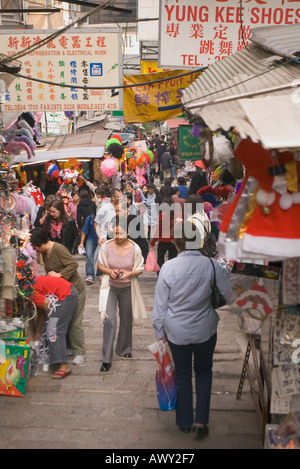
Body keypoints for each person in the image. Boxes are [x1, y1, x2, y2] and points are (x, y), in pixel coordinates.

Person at [152, 220, 232, 437]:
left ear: (176, 243)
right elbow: (228, 295)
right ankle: (202, 422)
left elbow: (160, 307)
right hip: (205, 328)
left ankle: (185, 421)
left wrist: (159, 335)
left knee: (183, 374)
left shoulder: (168, 268)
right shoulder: (211, 265)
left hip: (177, 332)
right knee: (204, 371)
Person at [29, 227, 86, 366]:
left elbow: (73, 264)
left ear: (39, 243)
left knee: (74, 322)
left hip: (74, 289)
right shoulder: (45, 253)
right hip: (60, 293)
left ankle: (79, 352)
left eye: (34, 247)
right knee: (63, 321)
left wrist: (60, 275)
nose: (34, 250)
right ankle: (68, 348)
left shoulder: (58, 249)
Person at [97, 220, 147, 372]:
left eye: (121, 233)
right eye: (116, 233)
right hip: (110, 287)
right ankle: (107, 358)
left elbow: (140, 268)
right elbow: (100, 264)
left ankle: (124, 349)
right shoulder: (106, 246)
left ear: (129, 233)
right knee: (109, 319)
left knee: (126, 319)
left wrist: (129, 273)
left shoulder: (135, 248)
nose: (118, 236)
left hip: (127, 288)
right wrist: (108, 271)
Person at [30, 275, 78, 379]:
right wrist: (38, 331)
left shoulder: (30, 292)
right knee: (53, 327)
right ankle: (58, 361)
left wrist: (52, 318)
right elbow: (41, 311)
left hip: (66, 294)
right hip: (65, 293)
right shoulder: (29, 288)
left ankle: (63, 367)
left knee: (54, 329)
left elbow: (48, 306)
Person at [150, 198, 178, 270]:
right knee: (172, 259)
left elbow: (158, 229)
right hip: (174, 241)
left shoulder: (162, 215)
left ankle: (160, 274)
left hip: (163, 241)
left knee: (160, 259)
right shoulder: (177, 215)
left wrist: (153, 242)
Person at [78, 208, 99, 285]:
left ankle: (100, 273)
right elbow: (84, 231)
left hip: (102, 240)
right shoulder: (89, 218)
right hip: (91, 239)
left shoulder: (105, 219)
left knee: (101, 257)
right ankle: (90, 274)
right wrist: (81, 243)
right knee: (89, 255)